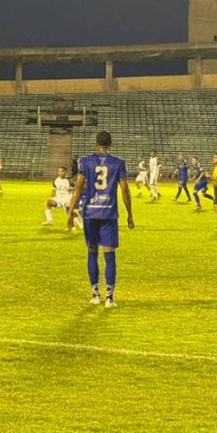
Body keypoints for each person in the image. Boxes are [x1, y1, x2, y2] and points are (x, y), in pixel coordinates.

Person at [67, 131, 134, 308]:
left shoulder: (85, 162)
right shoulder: (118, 163)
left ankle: (95, 295)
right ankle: (110, 298)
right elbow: (125, 189)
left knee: (92, 253)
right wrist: (129, 214)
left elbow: (78, 188)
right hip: (108, 214)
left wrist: (70, 212)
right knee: (109, 255)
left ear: (96, 144)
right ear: (110, 144)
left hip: (90, 213)